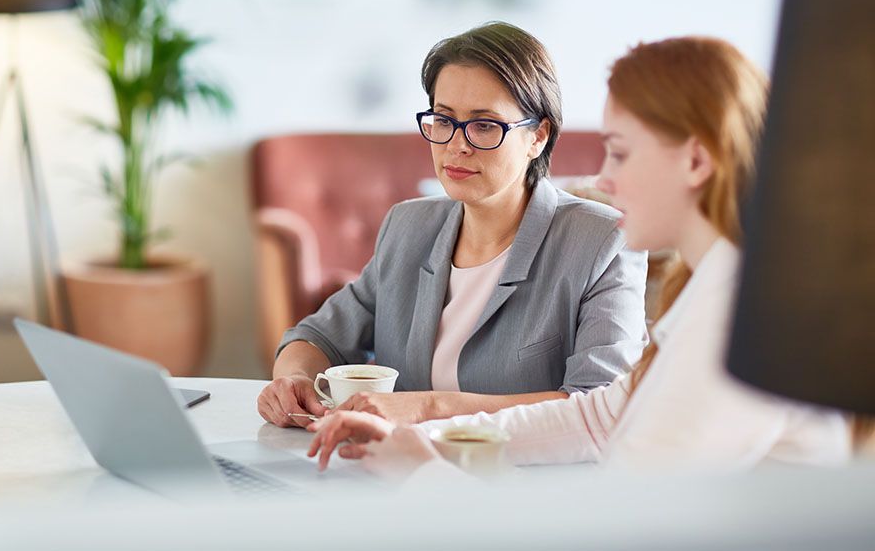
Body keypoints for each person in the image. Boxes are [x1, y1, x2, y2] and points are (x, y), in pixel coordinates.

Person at [307, 36, 852, 475]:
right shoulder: (711, 287)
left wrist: (421, 470)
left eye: (618, 151)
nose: (602, 179)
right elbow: (597, 417)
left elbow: (625, 524)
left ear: (695, 161)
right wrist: (421, 439)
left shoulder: (740, 322)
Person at [258, 22, 648, 429]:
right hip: (397, 473)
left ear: (538, 136)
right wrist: (293, 379)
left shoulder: (604, 242)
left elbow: (602, 405)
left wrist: (430, 408)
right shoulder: (408, 226)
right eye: (443, 120)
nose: (456, 144)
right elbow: (317, 336)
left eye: (484, 125)